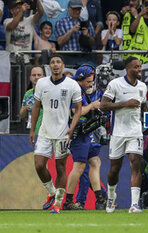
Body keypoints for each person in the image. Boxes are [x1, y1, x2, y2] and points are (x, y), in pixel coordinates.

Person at [30, 54, 82, 214]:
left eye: (58, 62)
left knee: (61, 168)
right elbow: (37, 107)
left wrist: (72, 127)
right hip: (45, 132)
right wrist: (33, 130)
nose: (55, 64)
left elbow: (78, 109)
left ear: (63, 65)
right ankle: (52, 193)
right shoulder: (42, 84)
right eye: (52, 62)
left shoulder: (72, 85)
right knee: (39, 165)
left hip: (62, 133)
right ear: (49, 66)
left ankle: (58, 204)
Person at [100, 56, 148, 213]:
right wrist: (125, 104)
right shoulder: (115, 84)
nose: (139, 69)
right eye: (136, 67)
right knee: (114, 170)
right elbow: (103, 105)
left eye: (140, 67)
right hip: (118, 132)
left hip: (135, 131)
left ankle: (134, 205)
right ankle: (111, 196)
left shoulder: (142, 86)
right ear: (128, 69)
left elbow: (145, 107)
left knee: (136, 164)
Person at [62, 65, 106, 210]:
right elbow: (76, 111)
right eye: (88, 82)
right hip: (77, 132)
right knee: (79, 166)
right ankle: (68, 201)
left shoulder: (79, 89)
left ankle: (100, 199)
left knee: (94, 161)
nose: (90, 85)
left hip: (84, 133)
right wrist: (93, 105)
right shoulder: (74, 89)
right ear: (80, 80)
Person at [55, 0, 96, 65]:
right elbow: (60, 42)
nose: (77, 11)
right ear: (69, 8)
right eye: (74, 9)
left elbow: (93, 42)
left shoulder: (87, 22)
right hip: (68, 56)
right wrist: (71, 31)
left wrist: (88, 35)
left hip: (84, 56)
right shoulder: (61, 22)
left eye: (79, 9)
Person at [20, 66, 45, 132]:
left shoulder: (49, 92)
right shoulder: (28, 94)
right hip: (33, 131)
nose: (36, 77)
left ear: (44, 77)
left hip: (47, 132)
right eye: (34, 75)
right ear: (30, 78)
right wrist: (25, 108)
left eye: (39, 75)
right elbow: (21, 115)